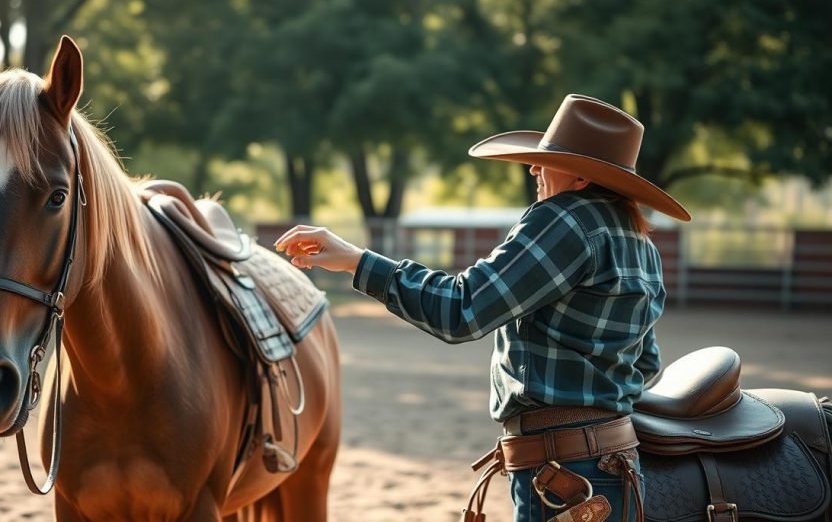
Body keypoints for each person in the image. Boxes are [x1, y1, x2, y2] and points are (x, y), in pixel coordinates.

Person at [275, 94, 691, 522]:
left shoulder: (564, 220)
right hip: (616, 464)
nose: (534, 169)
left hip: (561, 470)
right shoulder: (639, 243)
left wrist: (358, 262)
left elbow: (462, 309)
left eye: (547, 161)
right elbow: (645, 363)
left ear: (582, 177)